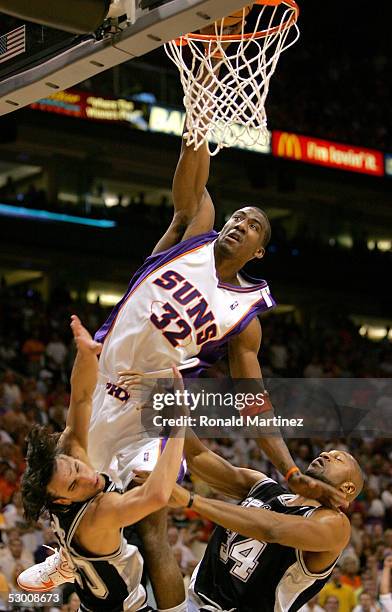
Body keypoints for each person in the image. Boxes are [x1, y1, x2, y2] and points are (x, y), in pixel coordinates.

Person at [18, 316, 187, 612]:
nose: (86, 477)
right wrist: (179, 422)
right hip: (125, 608)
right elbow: (157, 495)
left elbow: (81, 398)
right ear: (61, 497)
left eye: (76, 468)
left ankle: (68, 560)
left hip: (92, 600)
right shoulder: (99, 512)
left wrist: (84, 354)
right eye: (73, 483)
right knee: (153, 527)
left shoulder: (65, 475)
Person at [166, 430, 364, 612]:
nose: (325, 455)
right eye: (326, 452)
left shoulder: (336, 524)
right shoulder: (264, 487)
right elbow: (197, 456)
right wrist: (168, 407)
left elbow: (273, 529)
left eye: (338, 458)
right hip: (194, 601)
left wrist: (191, 500)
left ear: (348, 488)